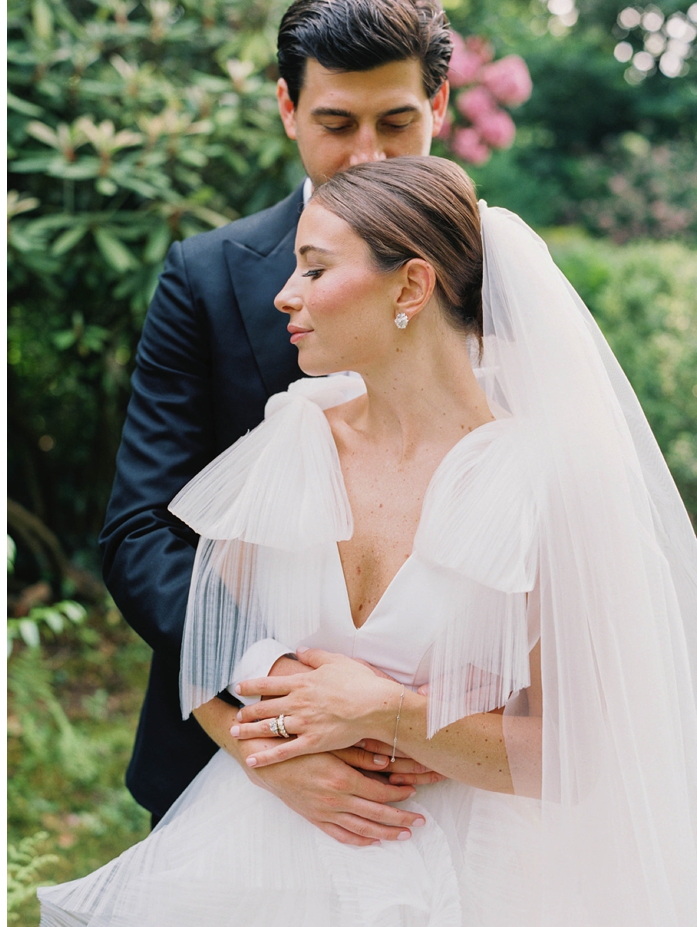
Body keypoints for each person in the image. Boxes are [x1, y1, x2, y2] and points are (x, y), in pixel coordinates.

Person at [42, 155, 697, 924]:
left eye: (315, 270)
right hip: (261, 854)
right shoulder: (295, 435)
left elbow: (574, 755)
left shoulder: (546, 483)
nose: (287, 295)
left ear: (411, 287)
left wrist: (387, 712)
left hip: (471, 873)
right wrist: (265, 757)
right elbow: (208, 647)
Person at [101, 0, 454, 836]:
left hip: (444, 782)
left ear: (439, 108)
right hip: (230, 762)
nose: (367, 156)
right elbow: (140, 531)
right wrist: (280, 708)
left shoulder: (507, 282)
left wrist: (441, 713)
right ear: (288, 109)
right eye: (337, 123)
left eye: (397, 122)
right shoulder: (208, 274)